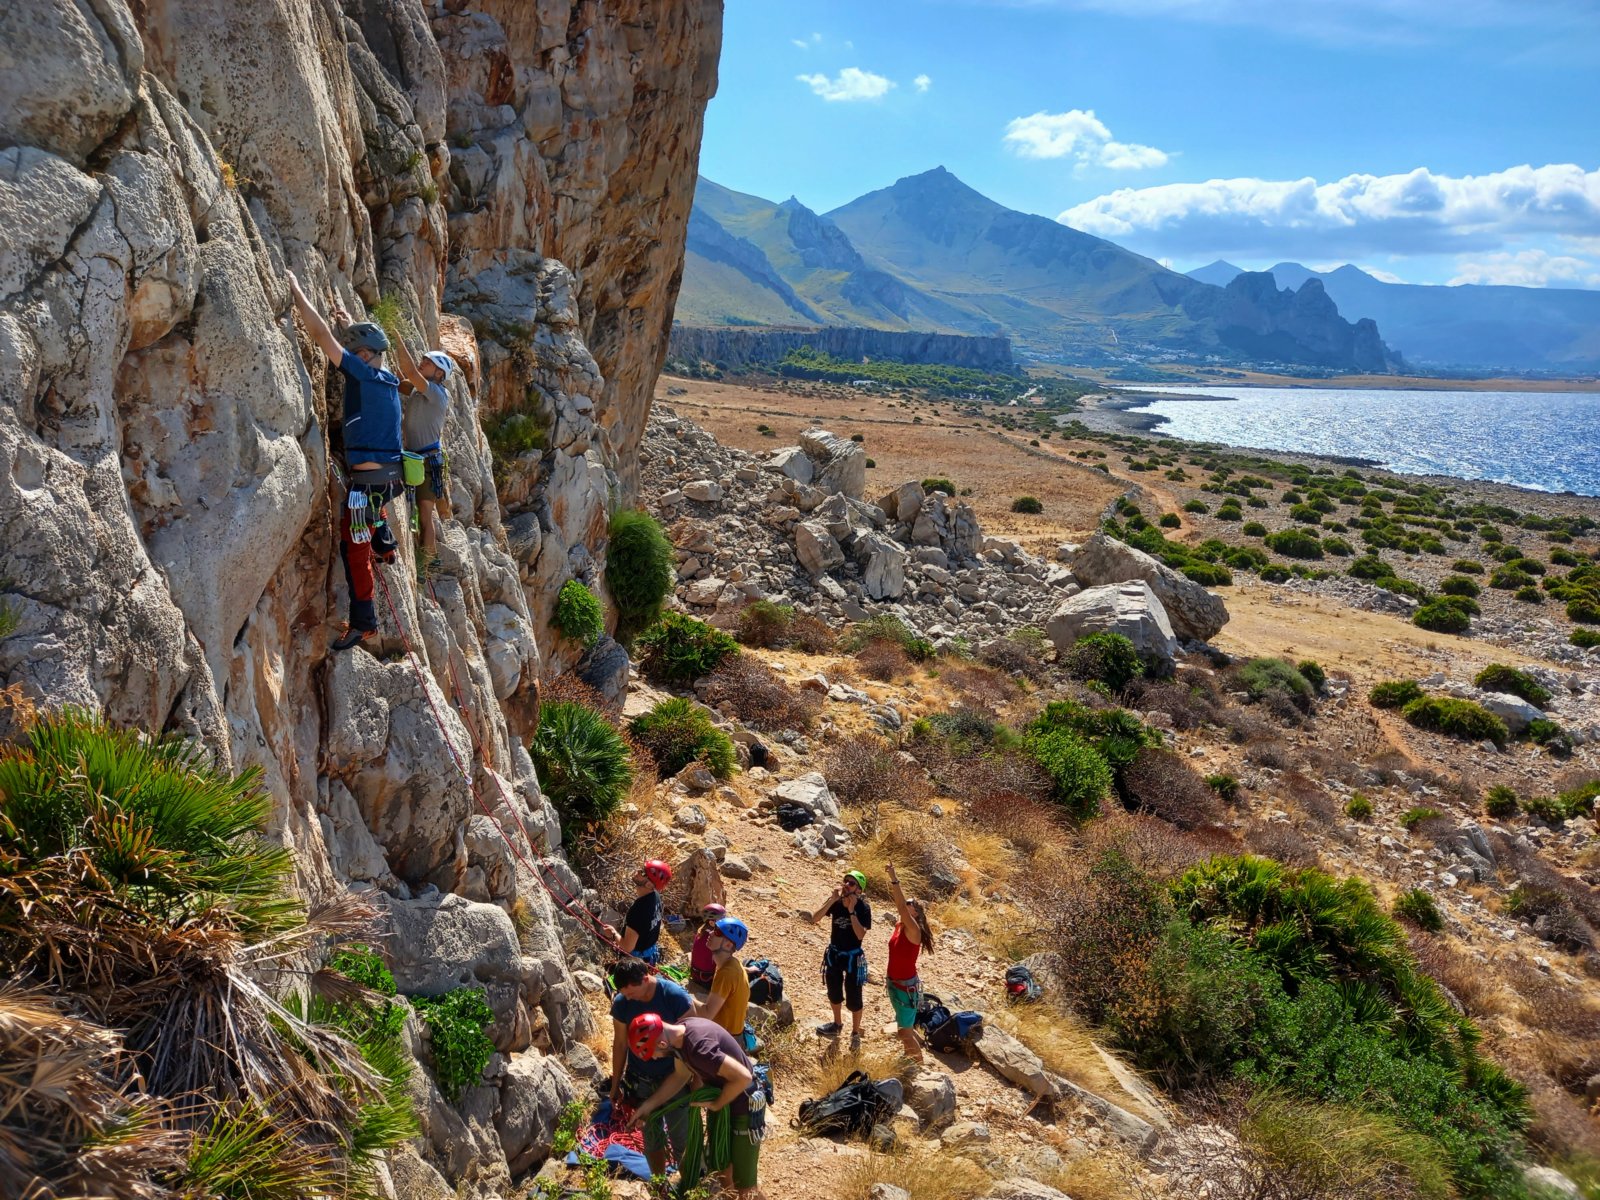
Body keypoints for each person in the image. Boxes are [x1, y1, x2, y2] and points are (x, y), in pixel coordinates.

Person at [286, 271, 404, 653]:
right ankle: (385, 543)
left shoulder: (363, 375)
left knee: (353, 551)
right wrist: (346, 322)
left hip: (366, 484)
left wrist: (299, 293)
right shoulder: (387, 379)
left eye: (356, 353)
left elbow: (322, 339)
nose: (351, 357)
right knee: (373, 512)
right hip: (389, 479)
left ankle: (364, 623)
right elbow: (344, 341)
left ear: (364, 356)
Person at [625, 1014, 767, 1200]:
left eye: (655, 1055)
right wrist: (648, 1106)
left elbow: (743, 1077)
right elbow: (680, 1076)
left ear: (661, 1045)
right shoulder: (681, 1034)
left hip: (744, 1109)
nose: (656, 1059)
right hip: (730, 1104)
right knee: (723, 1170)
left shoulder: (699, 1048)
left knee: (745, 1189)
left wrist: (717, 1104)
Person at [609, 959, 694, 1179]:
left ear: (645, 979)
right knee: (651, 1136)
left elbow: (691, 1042)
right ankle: (659, 1182)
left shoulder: (675, 997)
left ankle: (691, 1185)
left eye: (631, 993)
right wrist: (615, 1084)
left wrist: (696, 1084)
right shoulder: (622, 1002)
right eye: (624, 994)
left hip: (675, 1078)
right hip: (641, 1079)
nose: (628, 998)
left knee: (682, 1138)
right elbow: (619, 1044)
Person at [389, 337, 455, 569]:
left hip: (427, 462)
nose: (421, 363)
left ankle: (427, 564)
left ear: (439, 374)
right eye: (423, 360)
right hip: (414, 458)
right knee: (418, 512)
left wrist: (396, 338)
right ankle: (425, 557)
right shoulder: (421, 389)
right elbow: (400, 381)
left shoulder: (436, 392)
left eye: (427, 362)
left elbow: (408, 371)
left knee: (425, 515)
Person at [806, 869, 872, 1040]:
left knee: (854, 997)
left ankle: (856, 1032)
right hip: (835, 954)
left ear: (859, 890)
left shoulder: (863, 908)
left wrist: (851, 911)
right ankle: (837, 1024)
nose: (846, 885)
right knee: (834, 991)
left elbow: (860, 934)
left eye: (851, 883)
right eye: (846, 881)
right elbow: (814, 919)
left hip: (853, 957)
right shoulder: (835, 903)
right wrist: (831, 900)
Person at [883, 861, 935, 1062]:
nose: (907, 905)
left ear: (915, 913)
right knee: (904, 1028)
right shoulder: (900, 925)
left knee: (904, 1033)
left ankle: (918, 1067)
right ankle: (910, 1060)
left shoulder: (914, 931)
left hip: (905, 987)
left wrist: (894, 879)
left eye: (910, 904)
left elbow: (899, 905)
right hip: (895, 982)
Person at [602, 859, 672, 963]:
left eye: (642, 873)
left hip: (636, 960)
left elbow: (627, 947)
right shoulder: (655, 896)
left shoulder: (638, 911)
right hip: (649, 951)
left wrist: (613, 933)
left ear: (649, 885)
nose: (638, 871)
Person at [699, 917, 751, 1040]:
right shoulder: (731, 963)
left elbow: (707, 1014)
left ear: (728, 945)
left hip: (725, 1039)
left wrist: (681, 995)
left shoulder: (726, 973)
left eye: (717, 932)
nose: (710, 933)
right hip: (731, 1034)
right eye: (713, 929)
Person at [688, 902, 727, 991]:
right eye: (721, 920)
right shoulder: (713, 939)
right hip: (706, 979)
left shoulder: (700, 932)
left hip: (696, 975)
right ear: (712, 922)